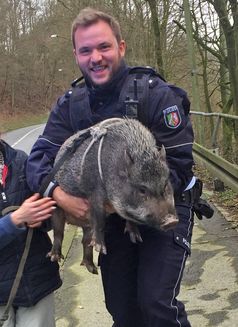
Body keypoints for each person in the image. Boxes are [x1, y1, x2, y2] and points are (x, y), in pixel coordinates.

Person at [26, 7, 195, 327]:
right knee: (122, 310)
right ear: (76, 54)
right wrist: (60, 195)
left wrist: (112, 202)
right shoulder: (71, 104)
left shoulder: (154, 94)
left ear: (121, 47)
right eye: (86, 50)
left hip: (164, 206)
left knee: (156, 304)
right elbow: (40, 160)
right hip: (113, 221)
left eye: (104, 47)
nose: (96, 58)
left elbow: (180, 166)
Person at [0, 137, 62, 327]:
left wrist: (42, 218)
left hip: (37, 282)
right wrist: (15, 220)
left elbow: (50, 215)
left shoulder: (22, 161)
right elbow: (20, 216)